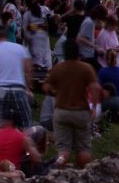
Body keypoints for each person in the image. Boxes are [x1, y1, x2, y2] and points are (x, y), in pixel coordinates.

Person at [43, 39, 102, 169]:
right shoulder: (86, 68)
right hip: (81, 111)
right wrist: (93, 107)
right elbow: (95, 88)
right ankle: (80, 173)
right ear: (78, 52)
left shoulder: (58, 68)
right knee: (83, 148)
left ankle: (58, 170)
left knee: (63, 148)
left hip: (61, 111)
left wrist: (56, 93)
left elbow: (46, 87)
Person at [0, 23, 34, 129]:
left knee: (1, 125)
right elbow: (29, 69)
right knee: (26, 125)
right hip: (18, 89)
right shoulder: (20, 48)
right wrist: (28, 86)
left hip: (1, 90)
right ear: (6, 35)